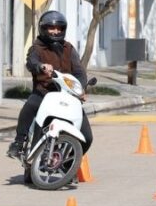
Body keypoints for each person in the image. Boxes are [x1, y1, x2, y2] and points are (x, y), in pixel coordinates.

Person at [7, 11, 93, 159]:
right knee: (29, 107)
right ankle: (18, 143)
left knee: (87, 137)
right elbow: (31, 62)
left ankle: (67, 164)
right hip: (44, 93)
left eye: (59, 28)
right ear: (43, 28)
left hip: (68, 96)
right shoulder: (37, 48)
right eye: (51, 28)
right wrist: (41, 66)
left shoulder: (69, 49)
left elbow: (79, 72)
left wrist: (81, 89)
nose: (55, 31)